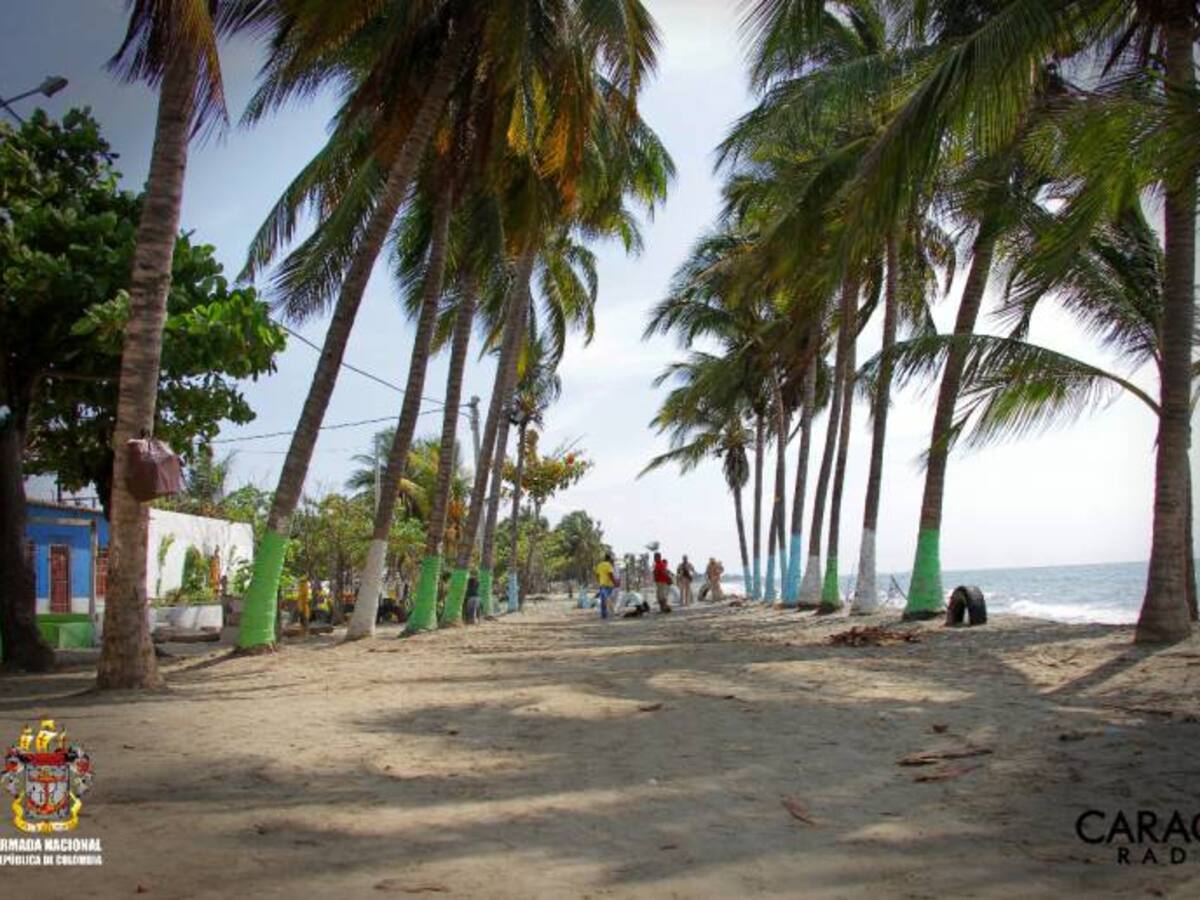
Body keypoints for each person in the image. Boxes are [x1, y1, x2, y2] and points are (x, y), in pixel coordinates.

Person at [594, 552, 617, 619]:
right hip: (609, 585)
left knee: (603, 600)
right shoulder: (609, 565)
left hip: (602, 585)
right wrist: (614, 582)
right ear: (609, 559)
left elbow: (597, 575)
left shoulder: (599, 565)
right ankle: (612, 612)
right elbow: (610, 574)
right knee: (608, 599)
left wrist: (599, 582)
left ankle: (603, 614)